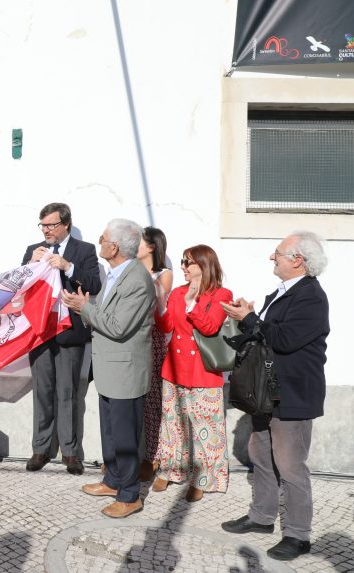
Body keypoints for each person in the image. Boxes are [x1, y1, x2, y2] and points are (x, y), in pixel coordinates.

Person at [220, 232, 330, 562]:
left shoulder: (311, 297)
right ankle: (262, 517)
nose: (272, 256)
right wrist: (249, 317)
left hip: (293, 393)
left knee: (290, 465)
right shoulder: (281, 293)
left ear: (298, 260)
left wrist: (251, 319)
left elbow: (284, 339)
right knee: (261, 454)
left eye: (278, 253)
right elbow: (265, 334)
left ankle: (298, 535)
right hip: (266, 391)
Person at [61, 218, 154, 518]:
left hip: (125, 371)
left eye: (102, 238)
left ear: (113, 246)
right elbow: (106, 314)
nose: (99, 241)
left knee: (126, 438)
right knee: (111, 432)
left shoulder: (138, 280)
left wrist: (83, 309)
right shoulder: (117, 273)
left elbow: (118, 326)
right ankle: (113, 480)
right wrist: (87, 306)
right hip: (110, 369)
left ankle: (130, 495)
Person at [21, 203, 100, 475]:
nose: (46, 230)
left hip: (70, 333)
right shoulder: (34, 249)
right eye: (42, 225)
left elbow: (94, 284)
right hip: (41, 332)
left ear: (66, 224)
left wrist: (68, 266)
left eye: (51, 225)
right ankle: (40, 449)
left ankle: (70, 452)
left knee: (68, 393)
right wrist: (31, 263)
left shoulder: (85, 250)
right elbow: (20, 286)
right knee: (42, 393)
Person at [150, 245, 231, 502]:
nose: (183, 267)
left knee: (206, 428)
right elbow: (167, 326)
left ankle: (205, 478)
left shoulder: (221, 294)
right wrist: (159, 303)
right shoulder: (177, 292)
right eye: (183, 262)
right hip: (173, 368)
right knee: (172, 425)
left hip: (203, 372)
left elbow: (209, 327)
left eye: (188, 262)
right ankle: (170, 469)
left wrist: (190, 304)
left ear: (204, 265)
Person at [137, 226, 173, 481]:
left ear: (151, 246)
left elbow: (156, 298)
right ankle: (137, 453)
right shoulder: (131, 270)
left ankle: (154, 455)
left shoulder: (164, 273)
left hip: (154, 338)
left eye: (138, 242)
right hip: (133, 338)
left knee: (153, 399)